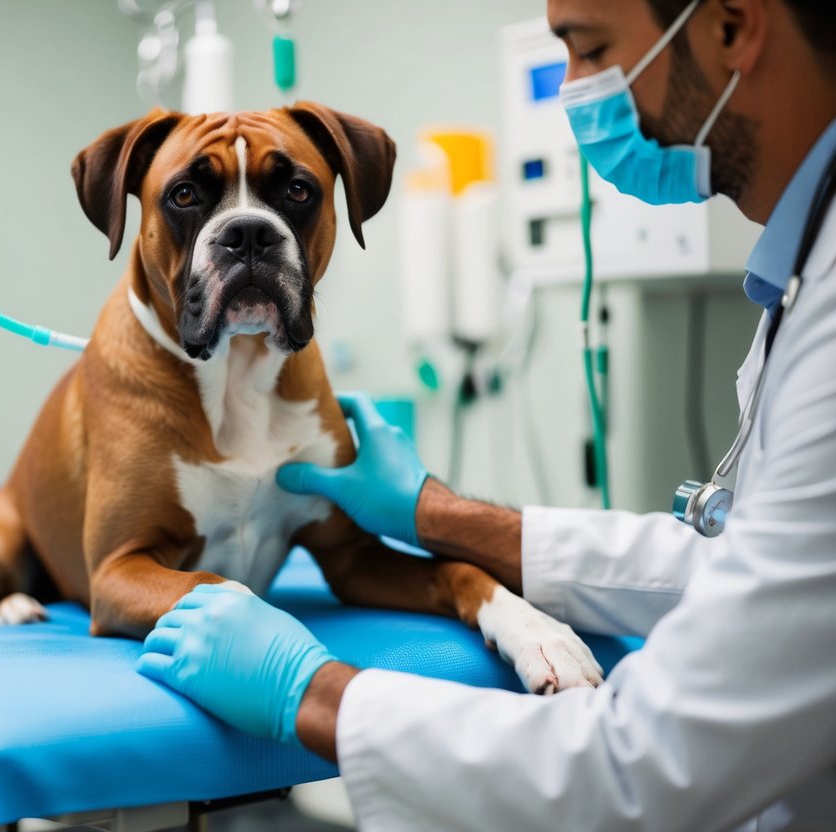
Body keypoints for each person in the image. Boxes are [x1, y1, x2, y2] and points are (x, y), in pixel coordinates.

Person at [134, 0, 836, 829]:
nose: (572, 95)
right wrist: (433, 511)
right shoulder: (804, 265)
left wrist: (311, 693)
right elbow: (760, 569)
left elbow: (645, 764)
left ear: (728, 25)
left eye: (588, 51)